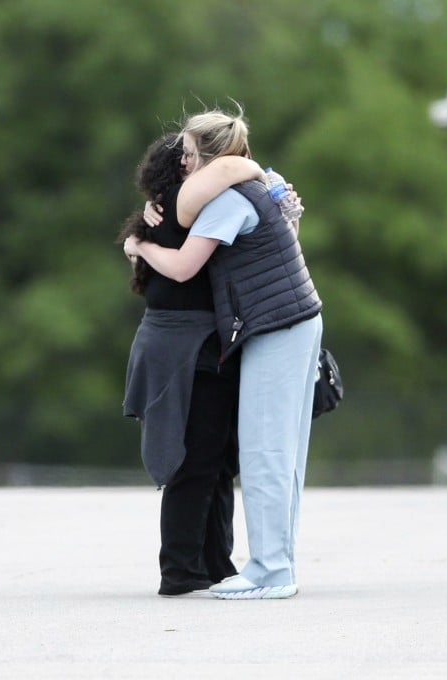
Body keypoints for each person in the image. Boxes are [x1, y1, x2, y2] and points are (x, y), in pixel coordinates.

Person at [124, 104, 322, 600]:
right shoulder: (244, 189)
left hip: (271, 327)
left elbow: (187, 267)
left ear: (209, 157)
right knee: (255, 454)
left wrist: (138, 245)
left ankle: (268, 569)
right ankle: (252, 565)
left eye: (189, 151)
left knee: (261, 453)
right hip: (276, 325)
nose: (183, 160)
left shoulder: (226, 196)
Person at [120, 132, 268, 597]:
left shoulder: (162, 214)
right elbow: (185, 271)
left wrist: (136, 242)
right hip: (194, 346)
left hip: (179, 342)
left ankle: (212, 563)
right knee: (203, 460)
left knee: (213, 459)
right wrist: (138, 244)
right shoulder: (180, 210)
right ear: (183, 167)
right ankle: (184, 568)